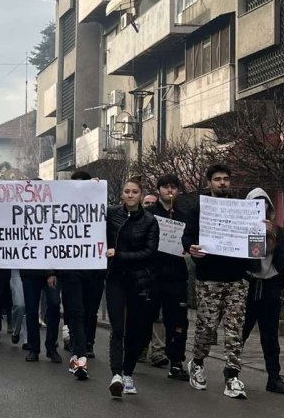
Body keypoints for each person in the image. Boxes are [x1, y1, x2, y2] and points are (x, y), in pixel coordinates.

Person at [184, 164, 254, 399]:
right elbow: (187, 237)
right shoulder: (199, 209)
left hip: (237, 279)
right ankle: (198, 363)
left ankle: (232, 376)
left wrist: (261, 230)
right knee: (207, 327)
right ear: (209, 183)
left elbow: (254, 241)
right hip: (209, 278)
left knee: (235, 329)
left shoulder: (242, 208)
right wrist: (190, 248)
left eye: (226, 179)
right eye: (217, 179)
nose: (222, 183)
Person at [105, 178, 159, 397]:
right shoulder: (111, 214)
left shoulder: (149, 221)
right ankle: (116, 374)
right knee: (117, 328)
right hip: (115, 279)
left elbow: (150, 252)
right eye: (126, 191)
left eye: (134, 192)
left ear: (140, 194)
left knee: (135, 331)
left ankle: (128, 373)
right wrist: (93, 185)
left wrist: (120, 255)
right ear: (122, 194)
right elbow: (88, 211)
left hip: (139, 281)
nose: (130, 195)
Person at [241, 188, 284, 394]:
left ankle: (274, 377)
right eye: (255, 205)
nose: (260, 209)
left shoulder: (278, 231)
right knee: (240, 332)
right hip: (249, 285)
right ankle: (232, 371)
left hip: (270, 286)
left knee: (270, 335)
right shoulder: (242, 230)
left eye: (264, 205)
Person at [59, 170, 106, 377]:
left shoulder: (100, 206)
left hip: (94, 270)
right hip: (70, 269)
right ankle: (79, 354)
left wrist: (96, 190)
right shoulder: (61, 207)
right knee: (76, 310)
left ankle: (88, 343)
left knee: (90, 310)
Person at [145, 174, 191, 381]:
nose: (169, 191)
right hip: (152, 275)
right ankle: (133, 354)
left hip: (176, 277)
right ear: (159, 190)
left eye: (173, 187)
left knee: (178, 322)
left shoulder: (184, 215)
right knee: (145, 317)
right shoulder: (148, 214)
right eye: (165, 187)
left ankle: (176, 362)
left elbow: (190, 242)